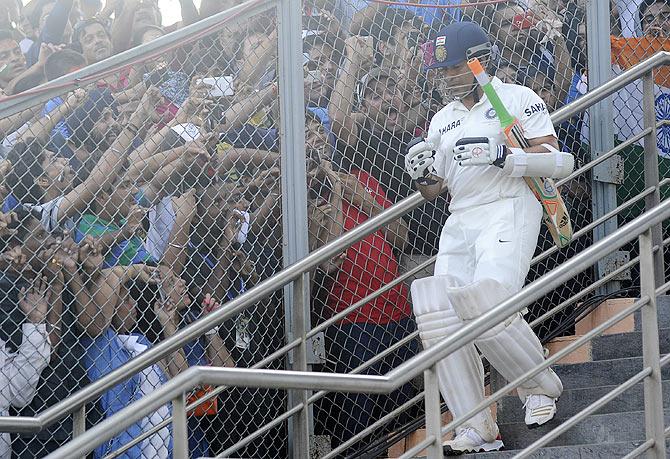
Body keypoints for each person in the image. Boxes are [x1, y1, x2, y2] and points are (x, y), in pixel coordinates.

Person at [405, 22, 571, 453]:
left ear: (479, 61)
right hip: (459, 215)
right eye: (440, 71)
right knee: (437, 311)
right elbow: (435, 189)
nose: (445, 77)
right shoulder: (443, 119)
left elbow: (557, 160)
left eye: (453, 67)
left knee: (489, 301)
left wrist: (503, 155)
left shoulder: (515, 98)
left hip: (508, 206)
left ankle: (540, 387)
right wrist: (424, 174)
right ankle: (474, 424)